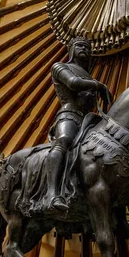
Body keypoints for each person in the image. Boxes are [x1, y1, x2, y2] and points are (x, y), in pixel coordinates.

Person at [45, 37, 111, 213]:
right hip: (70, 114)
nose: (84, 49)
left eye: (87, 47)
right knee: (64, 140)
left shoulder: (87, 75)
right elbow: (73, 83)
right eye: (80, 46)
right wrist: (98, 85)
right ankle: (51, 194)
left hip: (89, 119)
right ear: (72, 49)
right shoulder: (60, 66)